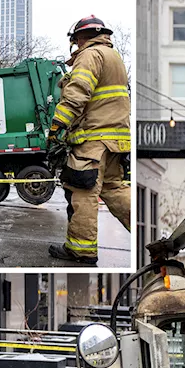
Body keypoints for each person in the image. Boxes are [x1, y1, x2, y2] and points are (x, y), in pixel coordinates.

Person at [47, 15, 132, 266]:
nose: (76, 46)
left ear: (80, 38)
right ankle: (145, 234)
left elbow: (78, 92)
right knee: (113, 188)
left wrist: (57, 126)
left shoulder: (90, 55)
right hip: (115, 139)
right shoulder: (113, 57)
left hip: (93, 140)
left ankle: (81, 250)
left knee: (83, 192)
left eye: (76, 41)